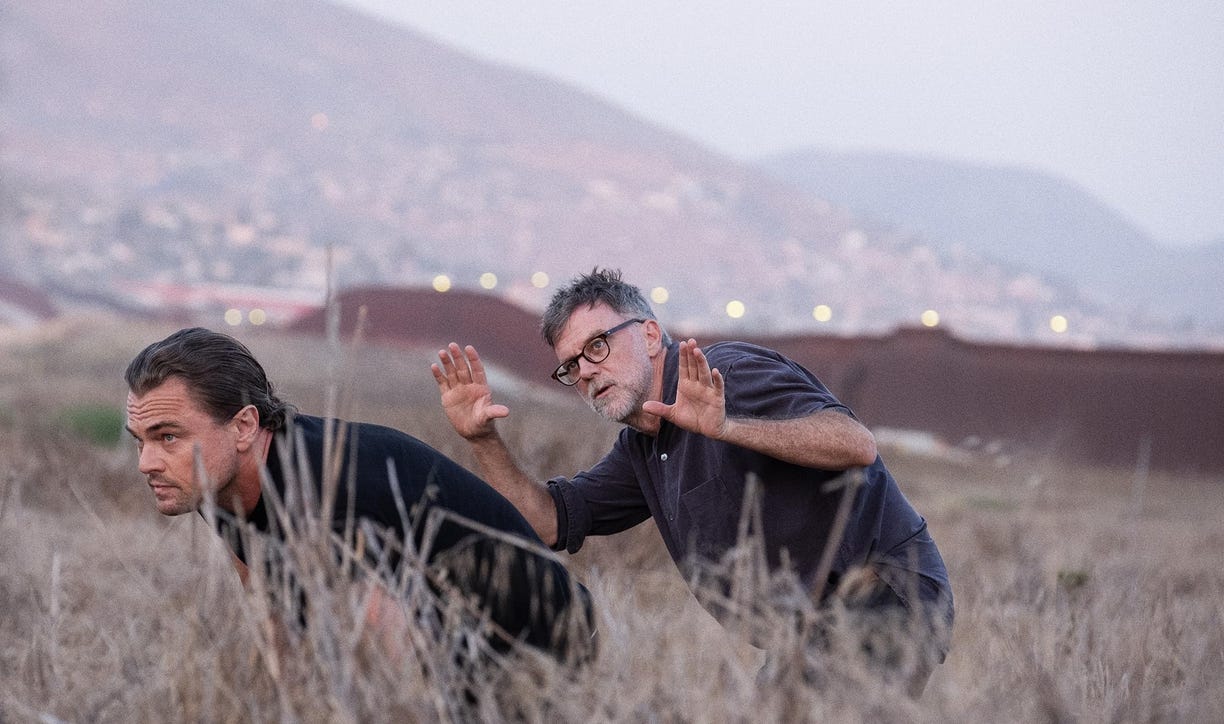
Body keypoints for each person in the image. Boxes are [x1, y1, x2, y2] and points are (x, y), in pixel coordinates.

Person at [432, 268, 953, 694]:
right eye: (570, 366)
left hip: (883, 592)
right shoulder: (641, 447)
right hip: (803, 633)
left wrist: (726, 426)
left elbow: (855, 444)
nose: (586, 371)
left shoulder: (724, 373)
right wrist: (483, 441)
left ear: (651, 335)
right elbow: (549, 522)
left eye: (596, 347)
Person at [124, 327, 594, 664]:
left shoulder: (326, 486)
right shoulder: (220, 478)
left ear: (245, 425)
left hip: (550, 657)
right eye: (139, 439)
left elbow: (393, 677)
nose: (147, 462)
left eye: (168, 437)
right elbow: (272, 618)